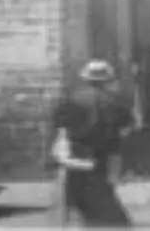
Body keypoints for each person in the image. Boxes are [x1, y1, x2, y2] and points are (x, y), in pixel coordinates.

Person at [51, 60, 133, 227]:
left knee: (76, 213)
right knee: (112, 218)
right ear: (108, 79)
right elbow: (123, 133)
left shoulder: (70, 99)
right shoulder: (115, 103)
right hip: (100, 162)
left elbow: (60, 129)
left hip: (73, 162)